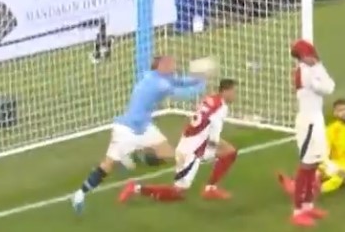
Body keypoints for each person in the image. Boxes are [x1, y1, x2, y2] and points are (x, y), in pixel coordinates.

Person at [71, 55, 205, 213]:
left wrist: (197, 78)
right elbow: (184, 94)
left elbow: (180, 81)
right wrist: (202, 83)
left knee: (171, 154)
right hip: (127, 130)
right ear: (160, 66)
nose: (174, 65)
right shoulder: (159, 84)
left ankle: (138, 156)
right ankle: (79, 194)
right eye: (170, 63)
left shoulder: (155, 76)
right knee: (107, 165)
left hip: (145, 127)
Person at [118, 78, 239, 203]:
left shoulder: (211, 99)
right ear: (225, 91)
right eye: (234, 92)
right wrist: (213, 148)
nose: (235, 95)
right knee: (177, 192)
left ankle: (210, 188)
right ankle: (135, 188)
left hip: (195, 141)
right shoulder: (221, 108)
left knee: (229, 152)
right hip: (191, 150)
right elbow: (213, 139)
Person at [278, 98, 345, 198]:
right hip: (337, 164)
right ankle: (297, 184)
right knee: (315, 167)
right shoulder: (331, 129)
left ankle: (313, 191)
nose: (344, 113)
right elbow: (325, 151)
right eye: (340, 110)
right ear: (335, 113)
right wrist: (330, 165)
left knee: (338, 177)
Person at [289, 39, 335, 227]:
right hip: (307, 122)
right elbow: (328, 87)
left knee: (314, 163)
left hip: (316, 120)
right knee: (305, 166)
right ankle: (297, 210)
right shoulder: (305, 73)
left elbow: (329, 85)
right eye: (310, 54)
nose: (314, 57)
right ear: (303, 56)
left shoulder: (311, 69)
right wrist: (320, 67)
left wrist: (319, 67)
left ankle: (308, 205)